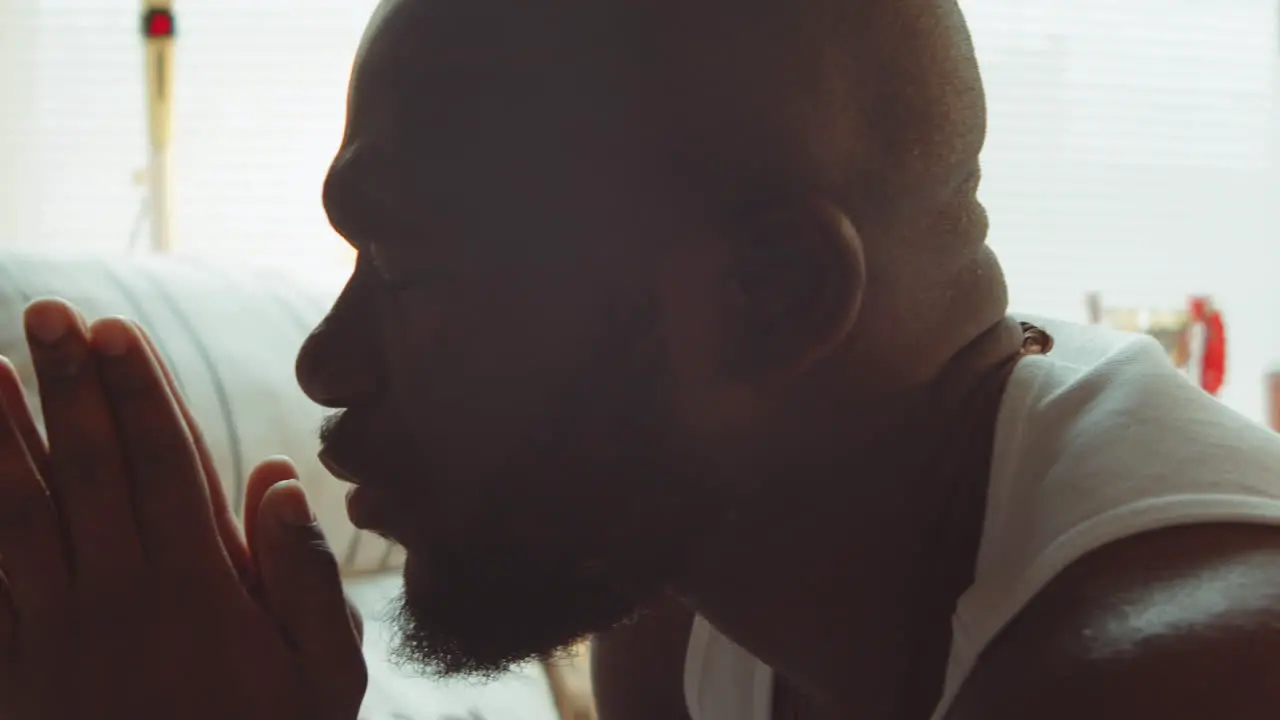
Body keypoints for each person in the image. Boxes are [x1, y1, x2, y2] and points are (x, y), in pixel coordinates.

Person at [3, 0, 1280, 718]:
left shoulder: (1185, 675)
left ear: (770, 298)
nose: (329, 369)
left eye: (408, 275)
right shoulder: (682, 615)